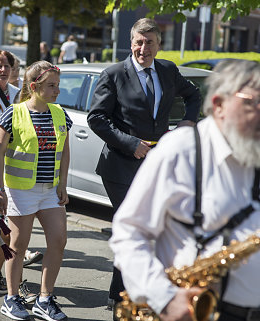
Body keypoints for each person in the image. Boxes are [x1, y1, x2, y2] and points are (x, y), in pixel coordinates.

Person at [110, 60, 260, 321]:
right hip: (198, 311)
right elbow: (129, 233)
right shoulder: (180, 151)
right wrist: (164, 298)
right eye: (251, 102)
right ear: (219, 105)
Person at [87, 18, 202, 309]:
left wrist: (187, 122)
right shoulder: (114, 74)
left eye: (149, 42)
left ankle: (134, 294)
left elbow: (193, 94)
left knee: (155, 230)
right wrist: (129, 143)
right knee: (133, 229)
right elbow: (96, 118)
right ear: (131, 42)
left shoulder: (167, 70)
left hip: (157, 164)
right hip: (120, 166)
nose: (143, 48)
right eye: (139, 41)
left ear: (158, 45)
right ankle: (121, 298)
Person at [0, 61, 72, 321]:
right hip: (20, 190)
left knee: (58, 240)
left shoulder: (60, 113)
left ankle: (45, 299)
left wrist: (63, 182)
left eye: (57, 86)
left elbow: (65, 150)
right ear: (34, 86)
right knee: (17, 244)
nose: (56, 91)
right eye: (51, 86)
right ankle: (11, 298)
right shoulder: (13, 113)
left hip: (49, 190)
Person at [0, 49, 40, 302]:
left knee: (10, 225)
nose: (4, 70)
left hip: (15, 165)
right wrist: (4, 120)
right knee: (4, 226)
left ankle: (1, 275)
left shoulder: (19, 93)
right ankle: (2, 275)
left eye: (7, 66)